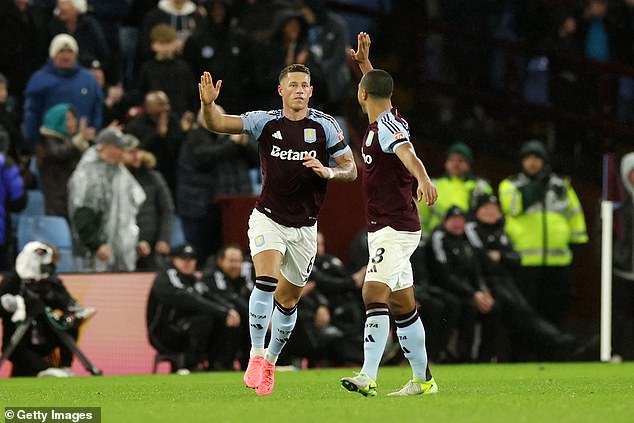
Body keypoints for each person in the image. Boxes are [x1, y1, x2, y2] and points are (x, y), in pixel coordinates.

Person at [198, 62, 357, 396]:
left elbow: (351, 170)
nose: (299, 90)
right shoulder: (264, 121)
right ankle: (255, 355)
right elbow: (216, 123)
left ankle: (271, 360)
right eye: (293, 85)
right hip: (267, 218)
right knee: (266, 281)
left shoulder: (325, 126)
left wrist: (328, 172)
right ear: (281, 90)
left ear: (311, 91)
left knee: (287, 302)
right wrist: (208, 105)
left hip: (305, 229)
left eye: (305, 85)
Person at [340, 32, 439, 397]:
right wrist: (364, 64)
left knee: (372, 292)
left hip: (395, 226)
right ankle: (423, 380)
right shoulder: (388, 116)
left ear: (361, 94)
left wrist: (424, 177)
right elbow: (377, 89)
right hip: (387, 225)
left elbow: (407, 151)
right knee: (402, 303)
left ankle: (368, 374)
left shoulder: (386, 127)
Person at [498, 140, 588, 328]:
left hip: (558, 261)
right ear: (521, 161)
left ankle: (553, 354)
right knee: (525, 313)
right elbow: (513, 207)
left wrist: (577, 241)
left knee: (556, 309)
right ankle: (523, 355)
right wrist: (538, 185)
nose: (533, 162)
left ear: (545, 161)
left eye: (537, 158)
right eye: (528, 158)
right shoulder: (511, 184)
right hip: (524, 261)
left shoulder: (561, 185)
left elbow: (574, 213)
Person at [0, 241, 96, 377]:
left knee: (70, 325)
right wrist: (13, 305)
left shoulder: (51, 282)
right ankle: (46, 370)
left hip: (46, 339)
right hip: (18, 343)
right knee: (37, 371)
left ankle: (64, 366)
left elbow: (69, 304)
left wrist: (72, 316)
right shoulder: (12, 281)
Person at [146, 244, 240, 373]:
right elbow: (190, 300)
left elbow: (209, 296)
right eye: (183, 259)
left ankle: (219, 364)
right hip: (163, 334)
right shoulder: (168, 275)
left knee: (221, 319)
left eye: (191, 259)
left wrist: (229, 310)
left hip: (183, 327)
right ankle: (191, 365)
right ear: (174, 259)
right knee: (203, 321)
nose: (188, 263)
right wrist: (222, 312)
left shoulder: (193, 279)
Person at [67, 128, 146, 271]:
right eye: (118, 148)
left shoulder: (119, 172)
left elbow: (133, 208)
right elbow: (82, 213)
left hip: (121, 252)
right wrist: (96, 244)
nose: (122, 152)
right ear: (105, 147)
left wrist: (137, 241)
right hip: (94, 253)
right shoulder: (87, 173)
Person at [427, 206, 498, 362]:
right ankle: (440, 353)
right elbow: (444, 275)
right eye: (454, 220)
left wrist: (483, 291)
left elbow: (475, 270)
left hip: (466, 291)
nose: (457, 224)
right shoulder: (439, 237)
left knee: (494, 307)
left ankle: (480, 356)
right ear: (445, 221)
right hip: (443, 289)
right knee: (459, 305)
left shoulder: (466, 240)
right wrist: (474, 294)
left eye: (461, 221)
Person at [22, 33, 103, 148]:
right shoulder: (39, 80)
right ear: (53, 55)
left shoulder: (89, 80)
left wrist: (94, 130)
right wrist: (34, 142)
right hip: (50, 145)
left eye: (70, 51)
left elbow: (97, 108)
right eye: (61, 51)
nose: (66, 56)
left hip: (83, 143)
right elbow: (32, 113)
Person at [419, 142, 492, 237]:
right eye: (452, 160)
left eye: (461, 160)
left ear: (469, 164)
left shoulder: (481, 186)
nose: (456, 164)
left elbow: (489, 216)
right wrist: (423, 239)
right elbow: (423, 216)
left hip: (471, 239)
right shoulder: (433, 184)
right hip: (438, 236)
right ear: (446, 163)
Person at [124, 137, 174, 271]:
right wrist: (137, 242)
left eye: (137, 151)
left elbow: (167, 209)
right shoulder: (119, 180)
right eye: (130, 152)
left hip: (153, 244)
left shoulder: (154, 177)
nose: (135, 156)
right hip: (127, 246)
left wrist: (164, 238)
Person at [201, 244, 253, 370]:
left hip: (240, 316)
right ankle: (220, 364)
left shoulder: (247, 274)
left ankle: (251, 365)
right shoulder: (211, 275)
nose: (235, 265)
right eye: (231, 261)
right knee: (232, 321)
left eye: (238, 261)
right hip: (215, 321)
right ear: (220, 261)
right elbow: (228, 297)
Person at [36, 103, 92, 218]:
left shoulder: (70, 139)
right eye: (67, 120)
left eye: (73, 118)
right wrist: (79, 140)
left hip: (73, 196)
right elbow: (59, 153)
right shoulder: (49, 141)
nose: (73, 123)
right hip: (58, 202)